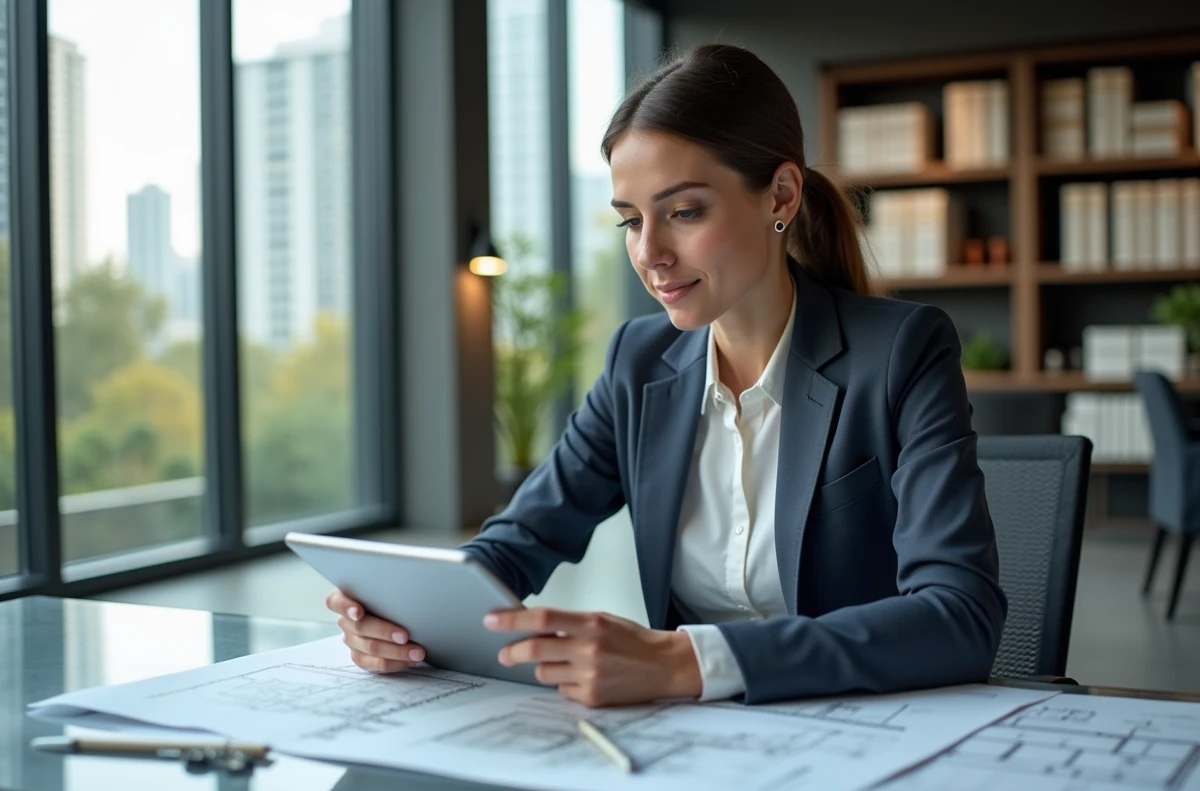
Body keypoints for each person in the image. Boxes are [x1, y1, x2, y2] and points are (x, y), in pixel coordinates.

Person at [327, 43, 1007, 708]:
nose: (650, 254)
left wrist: (688, 660)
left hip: (858, 733)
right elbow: (520, 540)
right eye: (630, 220)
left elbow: (959, 616)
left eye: (684, 212)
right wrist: (399, 616)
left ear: (781, 195)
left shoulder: (901, 351)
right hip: (688, 748)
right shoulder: (638, 363)